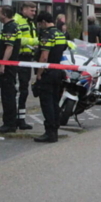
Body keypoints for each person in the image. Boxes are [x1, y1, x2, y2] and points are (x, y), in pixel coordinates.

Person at [33, 11, 67, 143]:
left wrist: (39, 73)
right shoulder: (60, 33)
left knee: (46, 103)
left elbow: (44, 56)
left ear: (43, 22)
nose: (40, 27)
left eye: (40, 24)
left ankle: (49, 133)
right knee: (54, 102)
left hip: (48, 72)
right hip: (58, 71)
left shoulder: (47, 34)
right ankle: (55, 131)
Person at [0, 5, 21, 134]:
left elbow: (9, 47)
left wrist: (3, 64)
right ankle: (11, 122)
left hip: (8, 67)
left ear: (4, 14)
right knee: (8, 94)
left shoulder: (10, 28)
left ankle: (9, 123)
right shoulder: (10, 27)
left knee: (7, 95)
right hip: (9, 65)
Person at [13, 2, 38, 130]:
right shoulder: (16, 20)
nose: (34, 13)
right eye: (32, 10)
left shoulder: (30, 22)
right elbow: (17, 40)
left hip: (28, 58)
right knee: (18, 89)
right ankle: (15, 118)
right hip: (19, 58)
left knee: (24, 90)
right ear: (24, 9)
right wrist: (35, 41)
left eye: (34, 11)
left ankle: (21, 118)